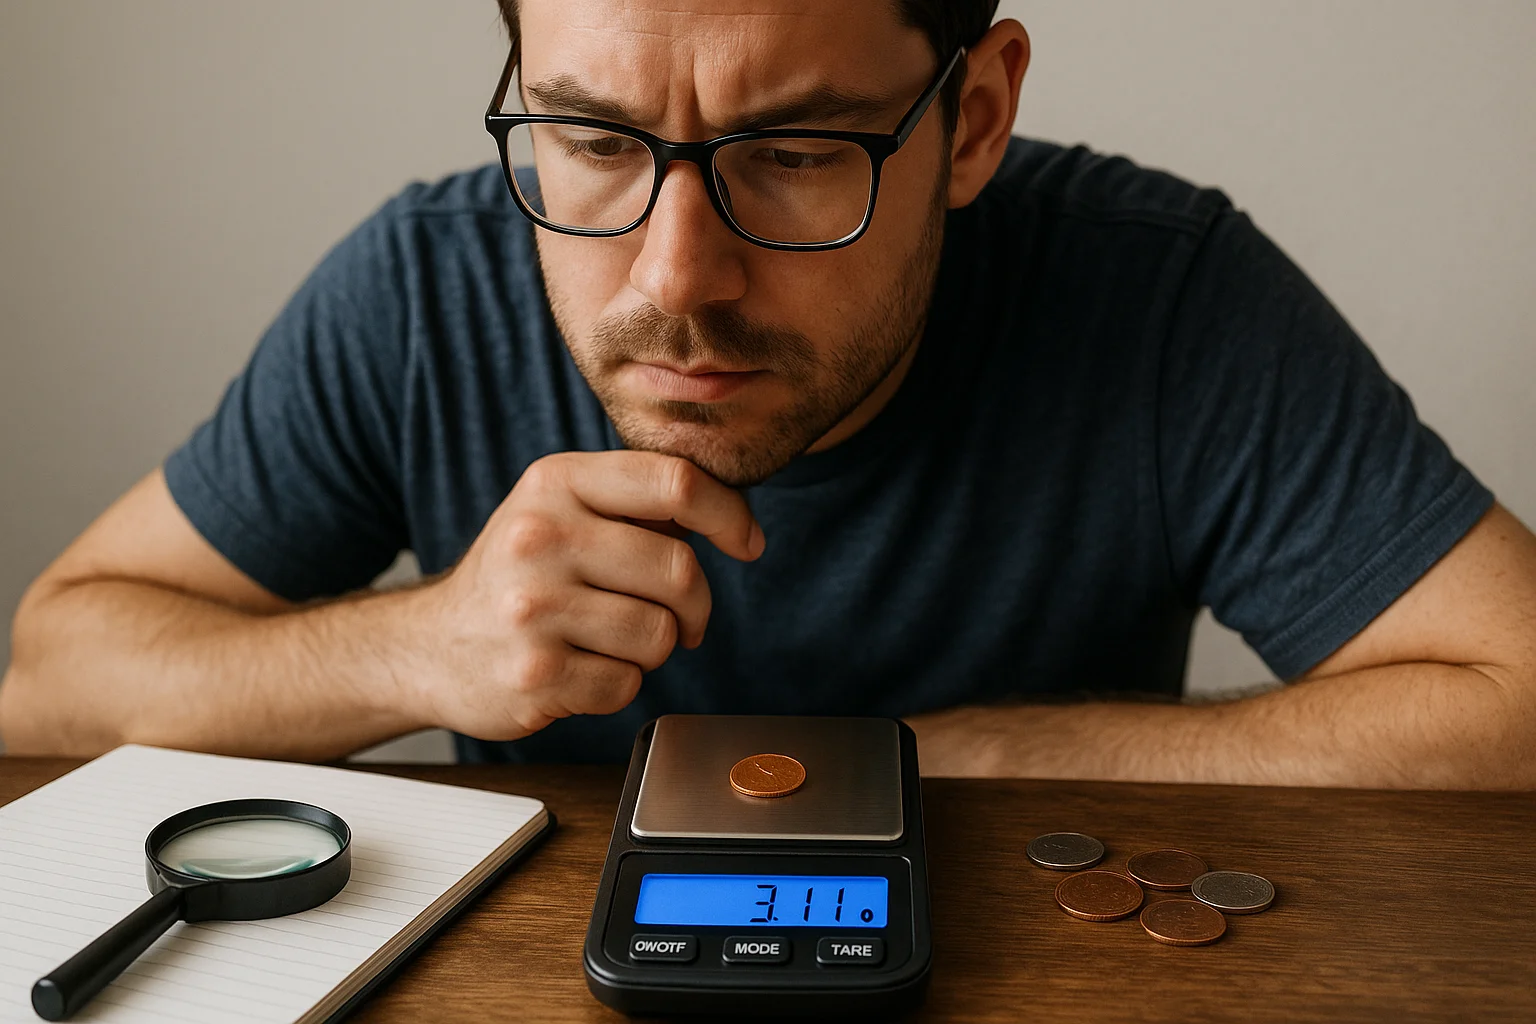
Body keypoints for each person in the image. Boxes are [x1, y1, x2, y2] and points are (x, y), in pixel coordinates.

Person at [3, 0, 1534, 786]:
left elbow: (1517, 703)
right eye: (593, 143)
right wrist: (419, 651)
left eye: (798, 156)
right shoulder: (422, 286)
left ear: (976, 118)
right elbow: (53, 679)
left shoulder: (1165, 294)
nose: (677, 277)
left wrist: (955, 761)